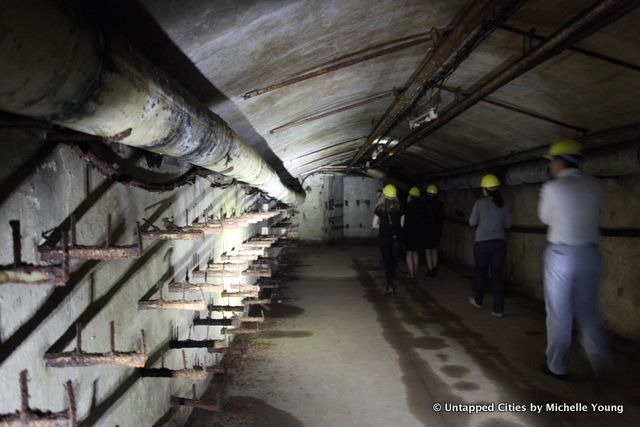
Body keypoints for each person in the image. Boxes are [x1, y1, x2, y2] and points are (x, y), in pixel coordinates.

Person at [538, 139, 610, 380]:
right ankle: (598, 356)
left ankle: (557, 366)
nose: (550, 167)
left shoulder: (553, 188)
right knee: (587, 309)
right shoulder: (594, 186)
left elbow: (545, 218)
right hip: (590, 254)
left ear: (559, 161)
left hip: (561, 255)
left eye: (551, 163)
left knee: (559, 312)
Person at [468, 174, 511, 317]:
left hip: (482, 244)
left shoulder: (479, 204)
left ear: (485, 189)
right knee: (497, 276)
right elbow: (508, 225)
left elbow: (472, 222)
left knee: (481, 272)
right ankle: (499, 309)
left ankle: (478, 301)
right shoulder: (503, 205)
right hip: (499, 244)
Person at [372, 184, 403, 296]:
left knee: (387, 260)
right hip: (396, 238)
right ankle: (391, 280)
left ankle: (389, 284)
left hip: (384, 238)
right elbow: (402, 225)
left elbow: (374, 225)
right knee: (394, 261)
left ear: (384, 194)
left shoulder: (379, 208)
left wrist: (384, 226)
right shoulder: (400, 208)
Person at [402, 186, 426, 280]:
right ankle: (415, 272)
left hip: (409, 232)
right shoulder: (422, 205)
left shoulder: (407, 206)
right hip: (419, 233)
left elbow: (403, 221)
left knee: (409, 253)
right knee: (416, 252)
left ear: (410, 195)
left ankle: (411, 274)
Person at [423, 184, 444, 276]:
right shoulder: (440, 204)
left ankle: (430, 269)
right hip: (437, 229)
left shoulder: (424, 204)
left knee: (428, 250)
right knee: (435, 248)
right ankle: (435, 267)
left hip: (427, 230)